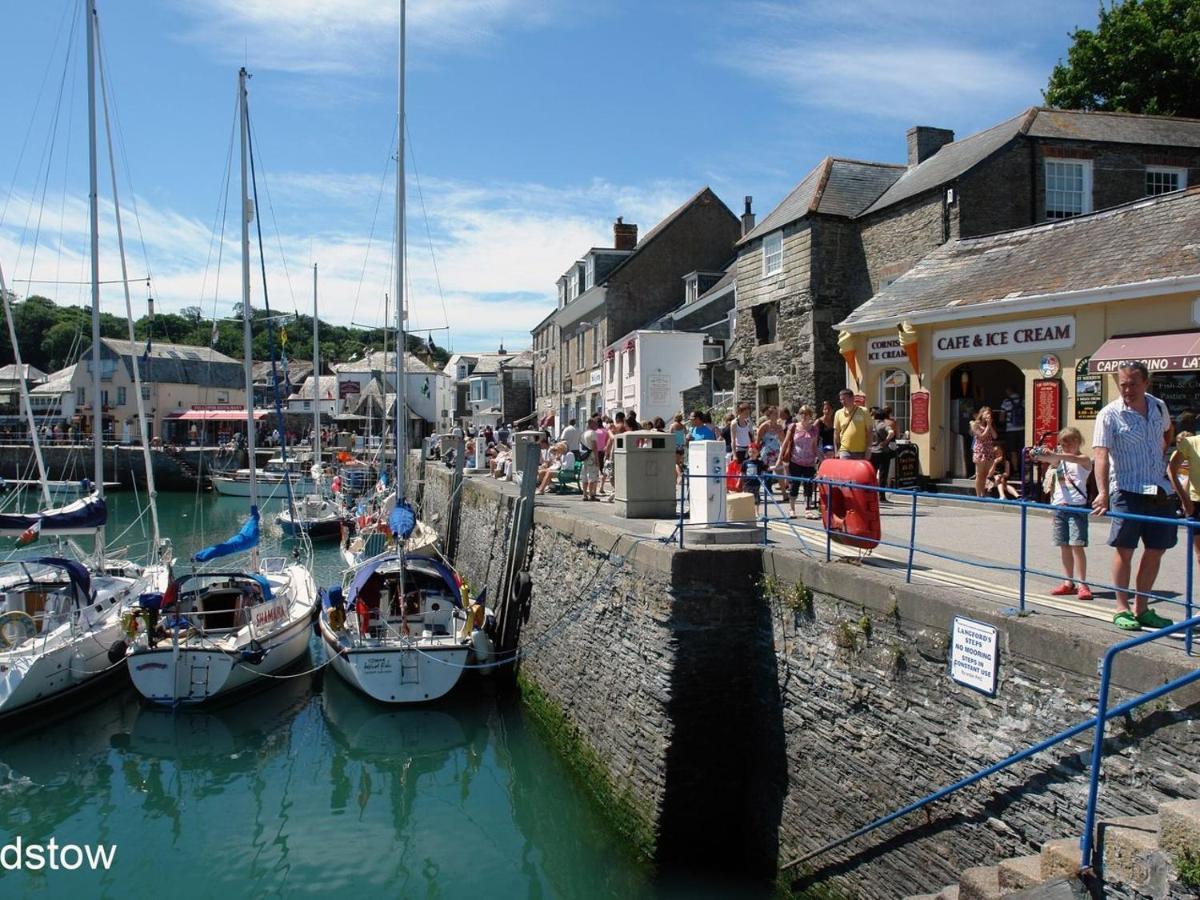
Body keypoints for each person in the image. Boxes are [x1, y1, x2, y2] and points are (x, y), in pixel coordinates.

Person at [1092, 361, 1176, 632]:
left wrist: (1161, 455)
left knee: (1156, 549)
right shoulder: (1109, 414)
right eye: (1123, 384)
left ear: (1146, 383)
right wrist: (1103, 493)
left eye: (1133, 384)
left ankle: (1142, 607)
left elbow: (1167, 431)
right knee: (1124, 550)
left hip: (1159, 490)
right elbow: (1101, 455)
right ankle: (1121, 607)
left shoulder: (1158, 406)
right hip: (1128, 490)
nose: (1127, 389)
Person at [1038, 427, 1093, 601]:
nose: (1067, 445)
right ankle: (1068, 582)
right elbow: (1041, 458)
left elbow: (1073, 458)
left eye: (1070, 441)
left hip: (1076, 508)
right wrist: (1041, 452)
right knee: (1064, 546)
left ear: (1079, 441)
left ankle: (1082, 584)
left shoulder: (1083, 459)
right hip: (1059, 507)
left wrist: (1055, 454)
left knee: (1077, 546)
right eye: (1063, 442)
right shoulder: (1060, 462)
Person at [780, 405, 820, 517]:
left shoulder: (814, 429)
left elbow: (814, 447)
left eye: (806, 414)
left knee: (808, 486)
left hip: (809, 461)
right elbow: (785, 443)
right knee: (795, 484)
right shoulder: (793, 427)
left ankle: (807, 509)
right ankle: (792, 509)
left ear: (810, 416)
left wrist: (823, 460)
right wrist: (780, 458)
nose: (804, 416)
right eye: (801, 413)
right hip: (795, 460)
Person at [868, 407, 897, 503]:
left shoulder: (870, 425)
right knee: (883, 475)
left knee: (872, 474)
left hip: (872, 452)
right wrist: (886, 441)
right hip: (883, 452)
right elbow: (891, 433)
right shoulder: (883, 425)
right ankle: (881, 496)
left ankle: (871, 495)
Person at [833, 389, 869, 460]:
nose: (842, 402)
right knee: (845, 470)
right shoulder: (838, 413)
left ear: (852, 398)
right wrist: (836, 450)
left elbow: (870, 431)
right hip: (845, 450)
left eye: (844, 399)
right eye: (841, 400)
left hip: (861, 450)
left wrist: (869, 449)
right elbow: (836, 433)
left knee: (858, 471)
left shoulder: (864, 411)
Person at [970, 406, 997, 498]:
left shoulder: (988, 425)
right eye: (987, 413)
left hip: (988, 451)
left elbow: (995, 436)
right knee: (979, 474)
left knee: (986, 474)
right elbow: (982, 436)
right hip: (980, 451)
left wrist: (990, 426)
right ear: (982, 414)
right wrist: (988, 426)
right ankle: (978, 495)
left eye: (990, 413)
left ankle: (983, 493)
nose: (989, 415)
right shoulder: (975, 424)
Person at [1001, 385, 1025, 474]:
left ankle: (1015, 469)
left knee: (1013, 451)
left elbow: (1001, 418)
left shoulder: (1006, 402)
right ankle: (1024, 468)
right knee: (1023, 449)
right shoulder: (1023, 400)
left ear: (1008, 391)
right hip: (1022, 429)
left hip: (1010, 430)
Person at [580, 417, 601, 501]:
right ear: (591, 424)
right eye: (595, 423)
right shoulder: (593, 433)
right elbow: (594, 447)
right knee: (592, 477)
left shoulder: (583, 434)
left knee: (584, 476)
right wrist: (597, 459)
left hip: (584, 457)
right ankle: (591, 494)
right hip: (591, 457)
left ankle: (584, 494)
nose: (597, 425)